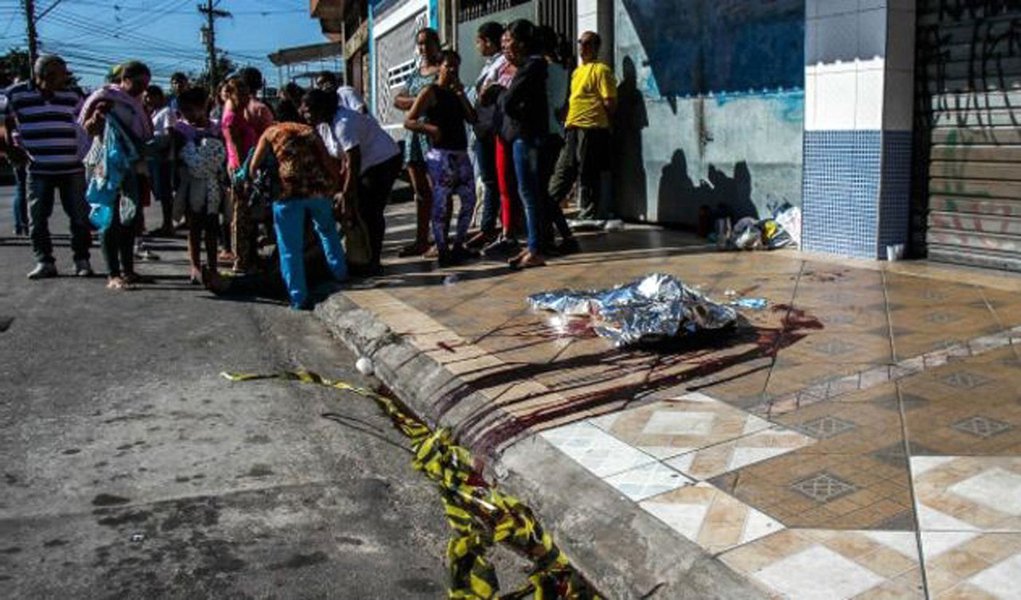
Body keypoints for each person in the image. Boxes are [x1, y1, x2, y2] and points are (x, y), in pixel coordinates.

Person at [4, 55, 93, 279]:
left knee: (80, 217)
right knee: (37, 218)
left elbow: (86, 119)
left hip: (72, 166)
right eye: (62, 74)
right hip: (38, 167)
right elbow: (3, 121)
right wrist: (9, 149)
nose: (66, 78)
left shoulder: (72, 95)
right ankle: (44, 261)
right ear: (46, 75)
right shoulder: (15, 94)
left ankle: (82, 260)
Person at [244, 120, 347, 310]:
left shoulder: (271, 131)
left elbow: (253, 166)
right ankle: (340, 274)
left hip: (287, 193)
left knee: (290, 248)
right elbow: (327, 160)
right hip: (318, 190)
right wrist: (337, 185)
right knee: (328, 232)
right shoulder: (309, 130)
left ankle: (298, 297)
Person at [304, 89, 401, 276]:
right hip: (363, 164)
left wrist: (348, 191)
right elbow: (337, 159)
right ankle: (360, 257)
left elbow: (353, 158)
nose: (304, 113)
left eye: (308, 110)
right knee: (357, 211)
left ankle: (373, 261)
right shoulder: (323, 126)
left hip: (382, 161)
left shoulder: (343, 123)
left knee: (370, 210)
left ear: (321, 109)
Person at [80, 60, 155, 289]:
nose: (142, 88)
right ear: (125, 80)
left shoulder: (137, 104)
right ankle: (113, 274)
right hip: (105, 165)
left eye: (146, 84)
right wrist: (98, 118)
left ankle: (128, 270)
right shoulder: (107, 98)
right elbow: (87, 129)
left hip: (130, 166)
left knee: (129, 218)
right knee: (109, 220)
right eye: (139, 83)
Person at [404, 50, 478, 267]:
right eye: (449, 66)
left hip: (460, 152)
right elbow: (409, 121)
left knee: (469, 200)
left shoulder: (456, 94)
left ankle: (458, 245)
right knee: (441, 204)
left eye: (456, 66)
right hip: (441, 154)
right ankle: (443, 248)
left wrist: (462, 94)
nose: (453, 70)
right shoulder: (430, 91)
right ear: (439, 67)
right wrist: (429, 129)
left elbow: (472, 118)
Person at [548, 30, 617, 223]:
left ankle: (589, 212)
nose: (582, 47)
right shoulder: (577, 72)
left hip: (591, 127)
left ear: (596, 47)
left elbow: (610, 102)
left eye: (587, 43)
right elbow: (573, 97)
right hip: (573, 126)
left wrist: (603, 122)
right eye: (580, 43)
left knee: (587, 171)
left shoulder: (601, 70)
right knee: (565, 168)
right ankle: (550, 205)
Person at [500, 20, 548, 270]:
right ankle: (533, 244)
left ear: (521, 42)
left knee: (529, 194)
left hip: (527, 136)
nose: (506, 47)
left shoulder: (533, 65)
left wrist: (503, 100)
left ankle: (536, 248)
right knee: (528, 192)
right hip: (524, 136)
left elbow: (508, 99)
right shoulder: (530, 66)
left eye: (509, 41)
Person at [393, 27, 442, 258]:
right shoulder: (417, 72)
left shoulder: (442, 69)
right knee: (420, 191)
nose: (423, 48)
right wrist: (419, 101)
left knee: (437, 189)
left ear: (436, 43)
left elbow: (440, 98)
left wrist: (413, 105)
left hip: (432, 134)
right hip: (413, 136)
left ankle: (439, 237)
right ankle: (420, 239)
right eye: (420, 44)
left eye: (427, 43)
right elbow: (397, 99)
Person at [170, 86, 226, 287]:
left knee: (212, 225)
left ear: (204, 106)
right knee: (194, 226)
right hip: (190, 184)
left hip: (212, 184)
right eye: (184, 111)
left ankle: (212, 265)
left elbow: (222, 153)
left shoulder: (216, 128)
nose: (189, 115)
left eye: (193, 109)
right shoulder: (180, 130)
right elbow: (176, 157)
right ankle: (195, 266)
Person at [464, 21, 506, 250]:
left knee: (491, 181)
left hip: (490, 129)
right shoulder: (489, 65)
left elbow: (486, 96)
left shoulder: (499, 65)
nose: (477, 46)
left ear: (488, 42)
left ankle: (489, 227)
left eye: (478, 41)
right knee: (489, 180)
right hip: (482, 130)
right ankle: (490, 225)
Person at [537, 26, 578, 255]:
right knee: (545, 192)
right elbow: (563, 109)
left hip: (544, 135)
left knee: (542, 193)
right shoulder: (563, 70)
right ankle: (560, 235)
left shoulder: (542, 70)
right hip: (556, 134)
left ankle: (557, 236)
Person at [221, 76, 259, 273]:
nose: (246, 97)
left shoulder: (237, 114)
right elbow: (237, 149)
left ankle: (247, 258)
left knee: (246, 215)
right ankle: (241, 259)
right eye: (241, 93)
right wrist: (244, 174)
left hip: (240, 166)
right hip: (240, 169)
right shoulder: (232, 118)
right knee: (241, 216)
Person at [144, 84, 176, 236]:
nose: (147, 99)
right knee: (158, 191)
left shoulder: (167, 112)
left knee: (165, 192)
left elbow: (170, 134)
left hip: (163, 157)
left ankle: (168, 224)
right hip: (153, 156)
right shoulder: (153, 113)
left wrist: (170, 154)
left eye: (149, 96)